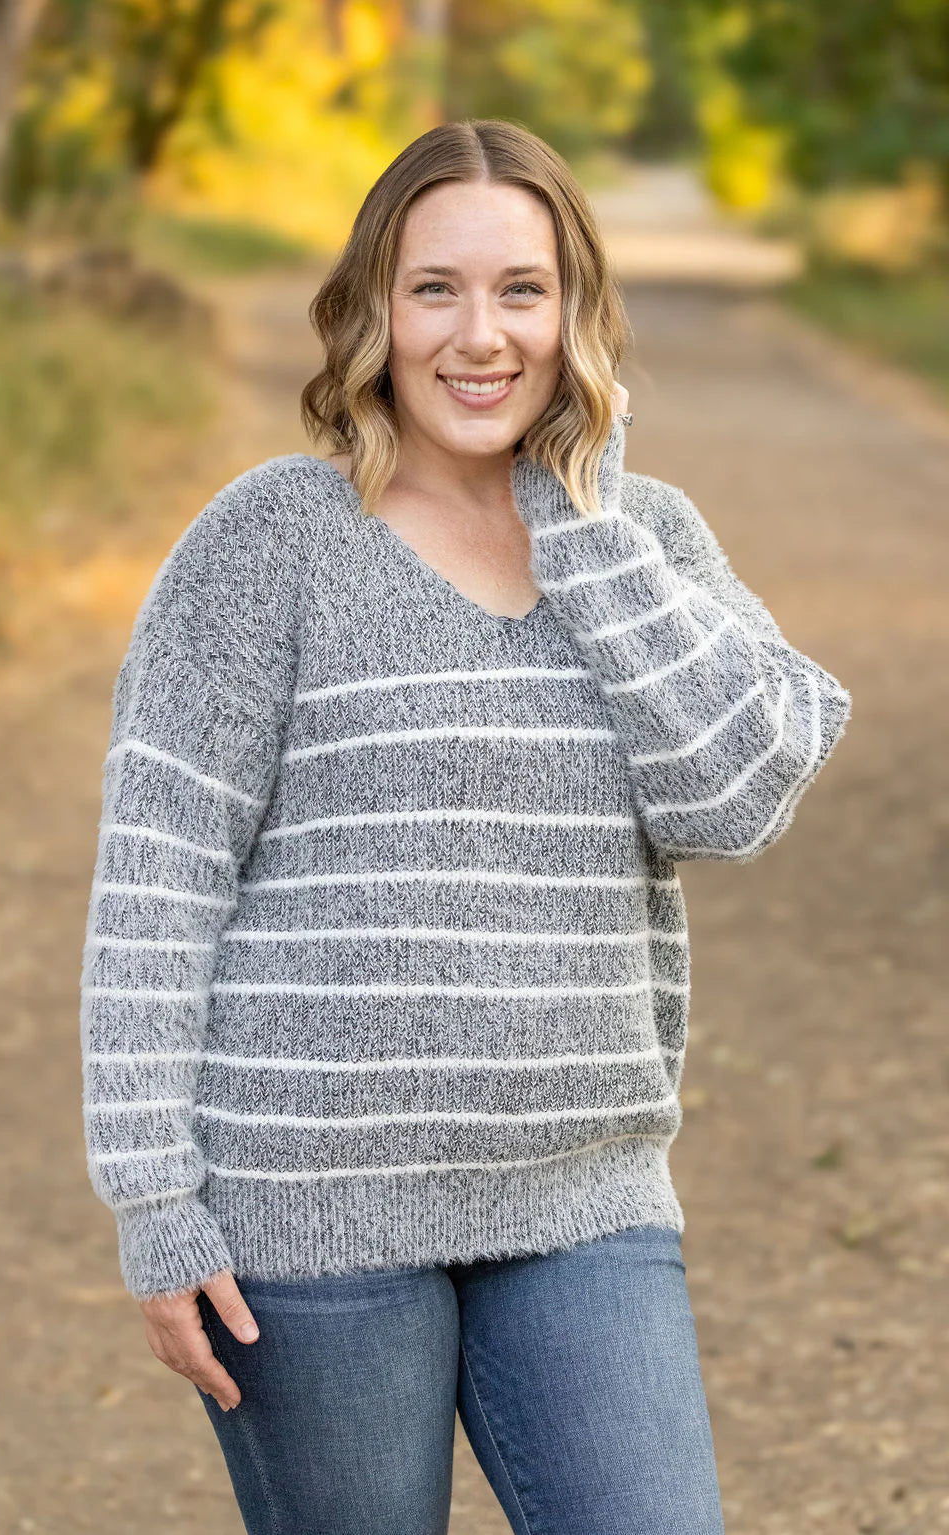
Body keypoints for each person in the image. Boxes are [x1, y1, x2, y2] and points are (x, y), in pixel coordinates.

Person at [79, 118, 852, 1534]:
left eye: (522, 290)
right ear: (373, 308)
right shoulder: (269, 543)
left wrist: (583, 524)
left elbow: (728, 799)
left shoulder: (646, 537)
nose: (478, 336)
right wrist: (155, 1204)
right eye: (435, 288)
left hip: (586, 1199)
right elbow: (158, 885)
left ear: (576, 315)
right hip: (309, 1221)